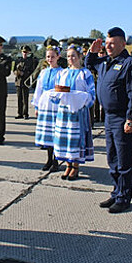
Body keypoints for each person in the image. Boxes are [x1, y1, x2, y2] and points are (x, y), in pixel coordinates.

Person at [85, 27, 132, 214]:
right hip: (109, 117)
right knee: (112, 157)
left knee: (124, 159)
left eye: (113, 43)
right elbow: (89, 64)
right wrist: (92, 51)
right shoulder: (105, 62)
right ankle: (116, 191)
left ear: (123, 44)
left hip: (122, 117)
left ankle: (124, 197)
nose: (109, 47)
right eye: (107, 43)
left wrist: (131, 118)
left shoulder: (129, 64)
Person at [53, 44, 95, 180]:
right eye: (69, 56)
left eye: (73, 56)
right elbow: (57, 90)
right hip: (64, 112)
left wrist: (80, 97)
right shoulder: (62, 73)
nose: (70, 59)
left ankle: (75, 166)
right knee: (65, 139)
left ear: (80, 57)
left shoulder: (85, 73)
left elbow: (91, 94)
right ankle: (68, 165)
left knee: (75, 139)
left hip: (78, 112)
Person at [32, 46, 63, 172]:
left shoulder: (62, 72)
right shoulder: (44, 72)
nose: (50, 59)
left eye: (53, 56)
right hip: (45, 105)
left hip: (56, 105)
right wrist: (37, 105)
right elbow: (38, 89)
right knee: (47, 134)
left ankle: (56, 160)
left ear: (58, 57)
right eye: (48, 57)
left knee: (56, 133)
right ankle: (49, 159)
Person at [14, 45, 37, 119]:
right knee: (19, 98)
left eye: (26, 52)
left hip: (25, 82)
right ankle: (19, 113)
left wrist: (24, 73)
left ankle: (25, 114)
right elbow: (14, 69)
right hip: (18, 81)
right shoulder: (18, 60)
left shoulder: (31, 61)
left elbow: (32, 71)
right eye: (23, 52)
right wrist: (16, 72)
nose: (24, 53)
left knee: (25, 99)